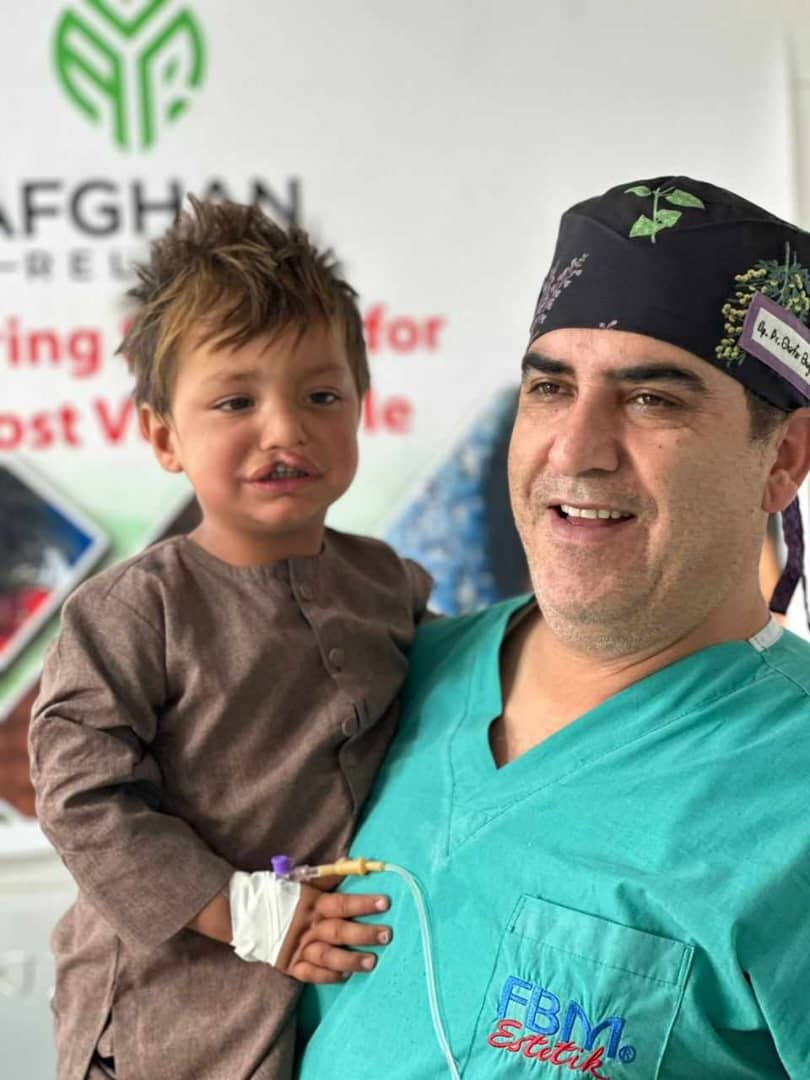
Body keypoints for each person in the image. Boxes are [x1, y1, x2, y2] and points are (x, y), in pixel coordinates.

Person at [296, 177, 810, 1079]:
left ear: (784, 459)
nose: (574, 449)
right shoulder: (396, 675)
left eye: (653, 399)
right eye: (549, 387)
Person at [28, 198, 431, 1080]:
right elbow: (80, 798)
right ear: (164, 435)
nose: (286, 429)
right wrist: (245, 911)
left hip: (324, 1008)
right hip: (164, 1021)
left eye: (321, 395)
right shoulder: (132, 612)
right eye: (237, 400)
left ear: (360, 408)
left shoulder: (388, 585)